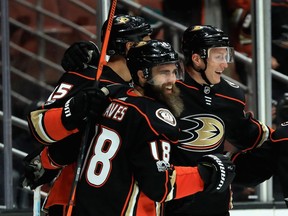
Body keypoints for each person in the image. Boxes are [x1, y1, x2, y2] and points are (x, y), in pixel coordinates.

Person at [58, 24, 288, 215]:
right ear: (198, 59)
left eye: (227, 55)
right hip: (170, 200)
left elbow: (248, 134)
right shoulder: (164, 91)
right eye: (219, 56)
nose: (226, 63)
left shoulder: (231, 94)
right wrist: (91, 55)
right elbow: (131, 55)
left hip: (213, 200)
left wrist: (279, 134)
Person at [72, 39, 235, 216]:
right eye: (164, 73)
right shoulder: (154, 116)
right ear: (142, 75)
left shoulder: (111, 96)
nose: (172, 80)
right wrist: (206, 174)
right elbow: (160, 186)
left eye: (174, 72)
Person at [23, 14, 153, 216]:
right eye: (146, 40)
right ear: (129, 47)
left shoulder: (142, 88)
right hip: (73, 198)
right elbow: (39, 126)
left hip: (119, 199)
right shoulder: (83, 76)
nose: (152, 46)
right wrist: (74, 111)